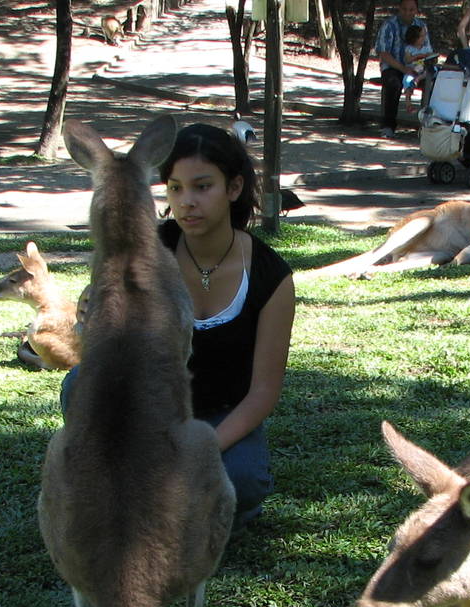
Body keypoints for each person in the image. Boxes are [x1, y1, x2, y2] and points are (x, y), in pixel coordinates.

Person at [60, 123, 295, 528]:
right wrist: (93, 312)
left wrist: (196, 452)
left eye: (202, 187)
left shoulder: (270, 277)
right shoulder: (146, 247)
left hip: (219, 417)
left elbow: (262, 393)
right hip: (150, 408)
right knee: (79, 383)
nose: (187, 202)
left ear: (233, 188)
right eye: (175, 188)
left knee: (242, 481)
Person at [374, 0, 432, 137]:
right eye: (404, 9)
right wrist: (403, 68)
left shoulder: (421, 27)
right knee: (393, 82)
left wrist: (423, 65)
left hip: (417, 68)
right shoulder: (389, 25)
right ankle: (388, 126)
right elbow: (383, 53)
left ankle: (428, 126)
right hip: (394, 66)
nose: (407, 12)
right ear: (399, 9)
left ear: (416, 10)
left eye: (411, 9)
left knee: (433, 83)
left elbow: (428, 50)